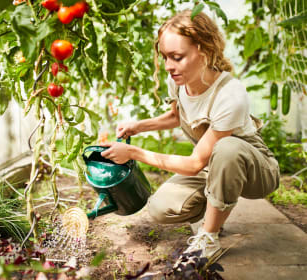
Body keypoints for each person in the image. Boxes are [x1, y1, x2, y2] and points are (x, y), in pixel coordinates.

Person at [100, 9, 280, 260]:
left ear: (203, 50)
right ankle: (218, 206)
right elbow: (177, 116)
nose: (168, 66)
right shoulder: (180, 80)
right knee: (161, 209)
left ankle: (210, 237)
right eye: (165, 57)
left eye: (176, 57)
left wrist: (132, 152)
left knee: (228, 148)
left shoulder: (230, 94)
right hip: (212, 162)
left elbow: (195, 163)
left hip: (256, 170)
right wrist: (138, 126)